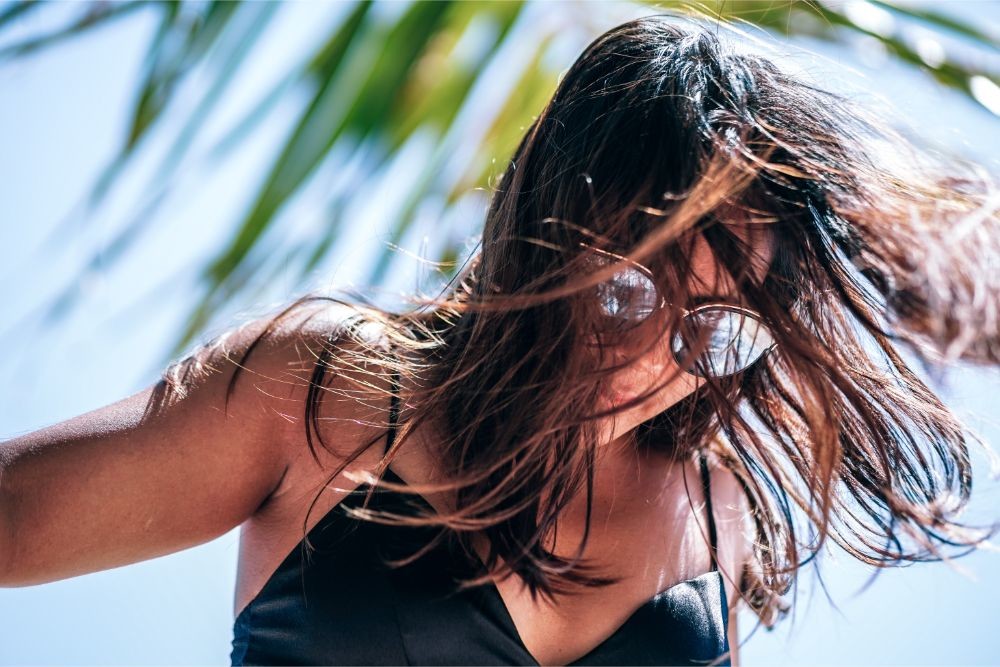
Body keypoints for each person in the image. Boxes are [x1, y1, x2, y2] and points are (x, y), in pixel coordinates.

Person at [2, 14, 998, 667]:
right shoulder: (337, 391)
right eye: (624, 290)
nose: (648, 362)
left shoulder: (718, 502)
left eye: (713, 330)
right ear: (544, 231)